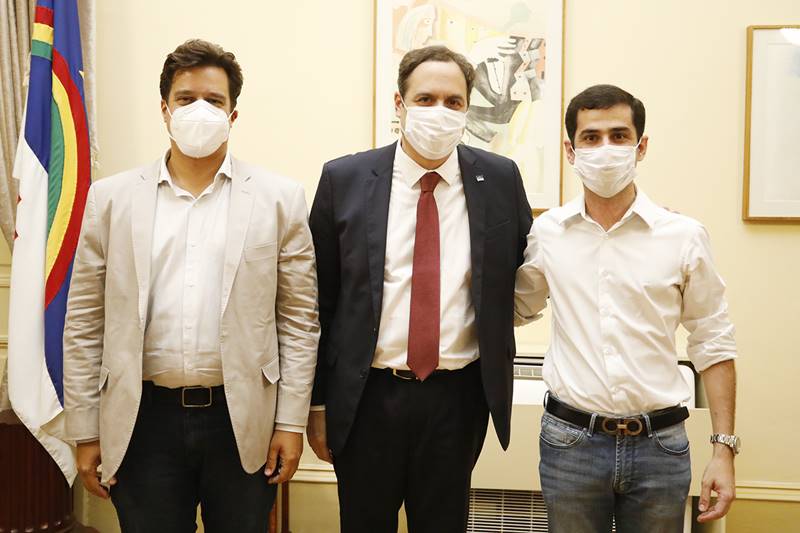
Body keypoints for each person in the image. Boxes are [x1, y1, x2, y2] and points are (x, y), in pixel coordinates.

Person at [62, 39, 320, 533]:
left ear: (233, 115)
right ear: (164, 110)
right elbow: (84, 321)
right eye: (185, 99)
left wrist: (290, 422)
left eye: (214, 100)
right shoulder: (110, 199)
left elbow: (299, 322)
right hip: (141, 421)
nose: (199, 110)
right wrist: (85, 428)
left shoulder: (279, 199)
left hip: (242, 420)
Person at [306, 45, 546, 533]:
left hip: (457, 399)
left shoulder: (500, 178)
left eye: (453, 102)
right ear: (399, 104)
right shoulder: (344, 178)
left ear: (468, 108)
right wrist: (317, 403)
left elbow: (527, 267)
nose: (440, 111)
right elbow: (319, 302)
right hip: (367, 396)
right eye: (426, 99)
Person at [515, 84, 739, 532]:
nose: (606, 148)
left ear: (641, 146)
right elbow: (516, 307)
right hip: (570, 443)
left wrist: (723, 450)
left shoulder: (683, 235)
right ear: (570, 150)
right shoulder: (548, 233)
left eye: (619, 136)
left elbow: (713, 342)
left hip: (661, 445)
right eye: (591, 137)